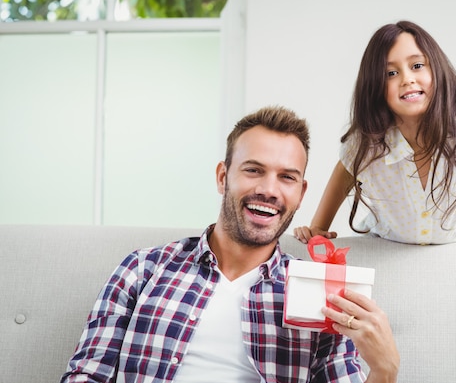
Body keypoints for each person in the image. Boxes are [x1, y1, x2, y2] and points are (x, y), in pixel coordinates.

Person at [60, 106, 399, 383]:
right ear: (223, 177)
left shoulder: (321, 296)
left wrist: (384, 371)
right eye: (254, 170)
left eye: (286, 177)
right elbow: (86, 375)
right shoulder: (142, 269)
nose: (269, 189)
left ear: (301, 193)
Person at [294, 21, 456, 257]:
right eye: (391, 73)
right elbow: (343, 174)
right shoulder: (367, 144)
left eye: (417, 66)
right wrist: (318, 227)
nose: (407, 79)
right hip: (385, 247)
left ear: (436, 69)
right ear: (375, 86)